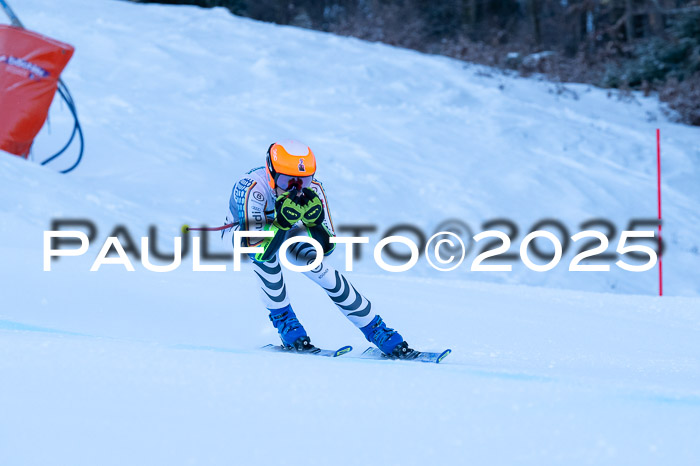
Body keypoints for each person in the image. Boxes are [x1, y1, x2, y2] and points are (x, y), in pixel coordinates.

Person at [223, 139, 413, 357]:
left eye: (303, 180)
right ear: (271, 174)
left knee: (315, 266)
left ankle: (377, 330)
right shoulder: (253, 188)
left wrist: (315, 224)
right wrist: (283, 223)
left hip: (285, 225)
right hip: (243, 230)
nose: (295, 188)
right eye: (287, 181)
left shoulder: (314, 189)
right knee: (267, 262)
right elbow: (259, 250)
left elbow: (326, 249)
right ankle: (287, 324)